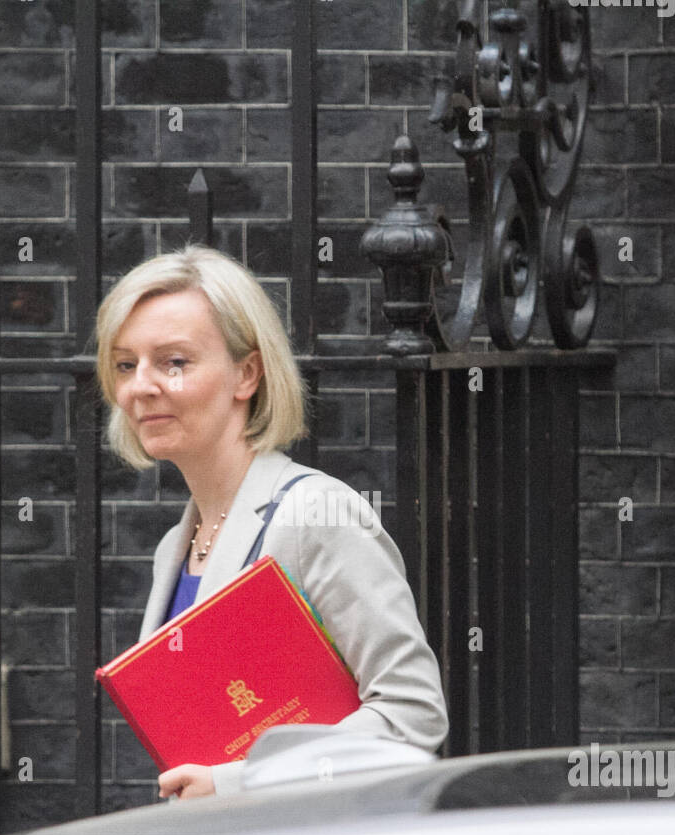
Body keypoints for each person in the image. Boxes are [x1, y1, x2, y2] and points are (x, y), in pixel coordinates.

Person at [94, 244, 449, 800]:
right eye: (125, 364)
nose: (140, 385)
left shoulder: (315, 517)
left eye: (174, 362)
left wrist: (237, 782)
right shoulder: (173, 548)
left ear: (247, 374)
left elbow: (413, 715)